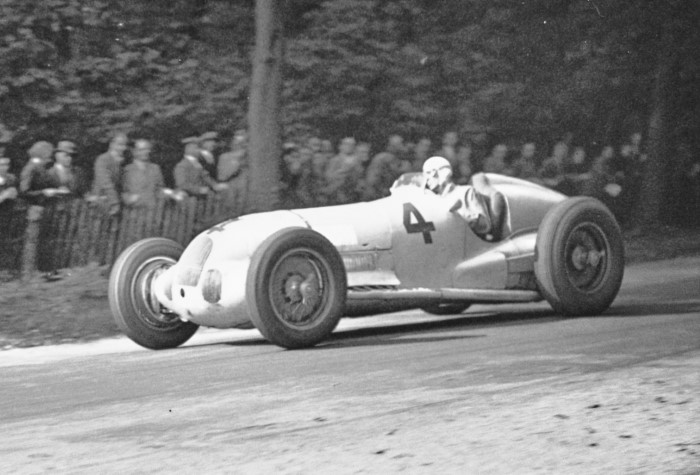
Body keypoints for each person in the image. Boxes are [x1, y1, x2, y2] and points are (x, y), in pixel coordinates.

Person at [422, 156, 505, 241]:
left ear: (443, 173)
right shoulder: (432, 199)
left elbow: (484, 226)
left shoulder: (465, 192)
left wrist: (460, 213)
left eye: (429, 173)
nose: (427, 179)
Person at [122, 139, 179, 209]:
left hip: (154, 210)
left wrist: (169, 194)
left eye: (147, 149)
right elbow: (123, 191)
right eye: (142, 150)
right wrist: (130, 200)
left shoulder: (155, 168)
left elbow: (160, 189)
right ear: (134, 151)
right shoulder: (127, 169)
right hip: (135, 210)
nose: (146, 152)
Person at [92, 133, 128, 215]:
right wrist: (114, 202)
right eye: (120, 145)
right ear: (112, 144)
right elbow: (105, 182)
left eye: (125, 145)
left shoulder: (121, 162)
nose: (124, 148)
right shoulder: (103, 159)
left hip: (115, 204)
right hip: (101, 202)